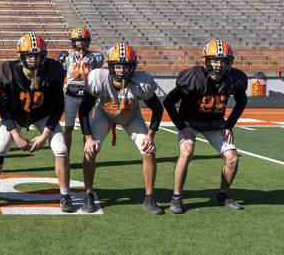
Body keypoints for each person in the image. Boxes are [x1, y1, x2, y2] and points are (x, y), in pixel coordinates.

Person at [0, 33, 73, 213]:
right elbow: (3, 109)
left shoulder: (53, 71)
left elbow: (58, 106)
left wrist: (45, 135)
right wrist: (16, 135)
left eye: (36, 55)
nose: (33, 59)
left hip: (43, 114)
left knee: (61, 149)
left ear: (43, 55)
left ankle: (65, 195)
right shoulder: (7, 73)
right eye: (29, 55)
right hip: (16, 116)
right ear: (21, 56)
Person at [163, 39, 248, 214]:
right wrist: (181, 125)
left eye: (223, 61)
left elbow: (241, 101)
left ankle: (223, 194)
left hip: (215, 123)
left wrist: (229, 125)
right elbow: (169, 102)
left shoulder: (235, 79)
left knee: (232, 157)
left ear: (229, 63)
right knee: (186, 152)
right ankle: (176, 197)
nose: (218, 65)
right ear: (206, 61)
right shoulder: (194, 77)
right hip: (190, 123)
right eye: (215, 60)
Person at [78, 43, 164, 214]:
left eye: (125, 66)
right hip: (104, 115)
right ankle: (88, 194)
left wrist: (150, 135)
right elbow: (84, 110)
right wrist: (88, 138)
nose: (121, 71)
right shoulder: (98, 78)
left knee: (149, 150)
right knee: (89, 150)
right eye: (117, 66)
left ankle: (149, 197)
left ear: (133, 68)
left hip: (131, 117)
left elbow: (158, 109)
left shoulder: (141, 82)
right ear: (110, 66)